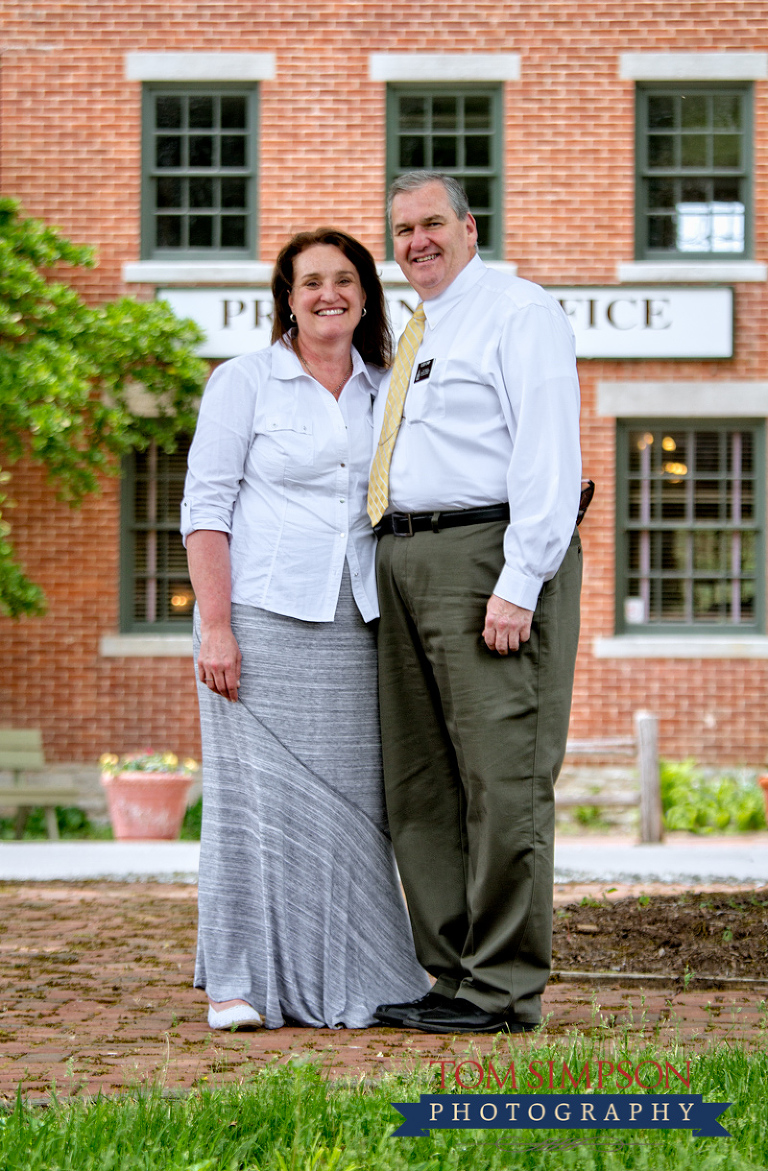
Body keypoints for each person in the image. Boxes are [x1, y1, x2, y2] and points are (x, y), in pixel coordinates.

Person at [181, 227, 429, 1031]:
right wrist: (214, 627)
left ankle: (359, 974)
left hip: (357, 623)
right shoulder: (243, 382)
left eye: (346, 278)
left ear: (367, 293)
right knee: (250, 808)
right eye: (311, 281)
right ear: (287, 298)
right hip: (254, 619)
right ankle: (239, 983)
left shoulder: (387, 385)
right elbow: (205, 510)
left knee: (356, 811)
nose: (330, 293)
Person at [369, 172, 583, 1035]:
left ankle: (502, 988)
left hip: (488, 557)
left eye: (431, 224)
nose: (416, 241)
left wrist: (520, 581)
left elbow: (546, 452)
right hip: (404, 555)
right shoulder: (416, 328)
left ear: (469, 226)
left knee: (504, 780)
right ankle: (453, 974)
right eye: (401, 229)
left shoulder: (518, 312)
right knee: (420, 783)